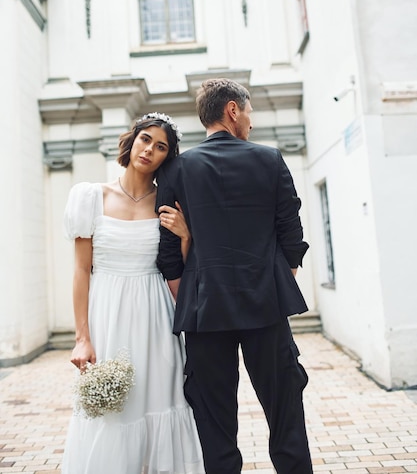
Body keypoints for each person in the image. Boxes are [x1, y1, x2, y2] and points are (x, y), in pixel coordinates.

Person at [156, 79, 313, 474]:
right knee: (285, 412)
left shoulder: (177, 169)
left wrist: (186, 292)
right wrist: (275, 278)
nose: (250, 122)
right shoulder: (270, 160)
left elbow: (168, 252)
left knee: (214, 419)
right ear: (232, 110)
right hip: (265, 304)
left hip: (204, 308)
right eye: (249, 112)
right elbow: (291, 236)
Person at [61, 113, 205, 474]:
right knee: (115, 407)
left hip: (156, 315)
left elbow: (177, 269)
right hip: (108, 311)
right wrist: (82, 338)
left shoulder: (168, 202)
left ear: (166, 157)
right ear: (132, 140)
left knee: (160, 398)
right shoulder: (91, 196)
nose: (150, 150)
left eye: (161, 147)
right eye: (146, 139)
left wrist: (186, 236)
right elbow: (81, 271)